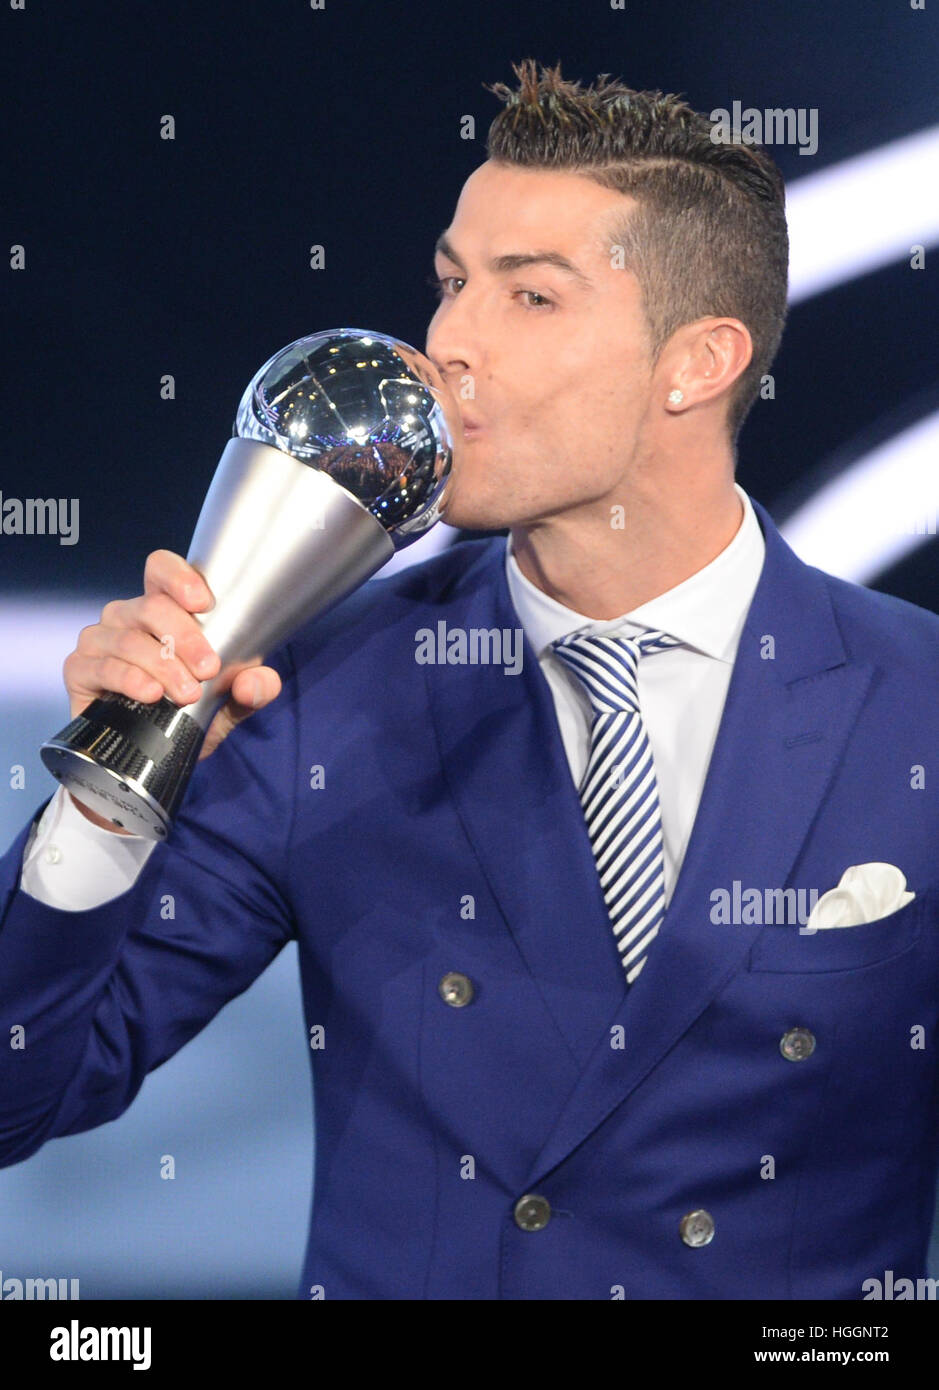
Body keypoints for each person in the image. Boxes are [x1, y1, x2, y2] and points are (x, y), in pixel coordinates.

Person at [2, 58, 937, 1301]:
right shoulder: (315, 687)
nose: (447, 344)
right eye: (451, 283)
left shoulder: (913, 703)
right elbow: (26, 1089)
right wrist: (113, 784)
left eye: (528, 297)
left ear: (698, 362)